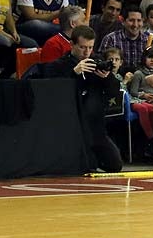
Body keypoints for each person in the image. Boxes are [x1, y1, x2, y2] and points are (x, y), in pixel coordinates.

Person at [42, 26, 123, 173]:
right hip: (70, 127)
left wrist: (106, 78)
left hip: (95, 128)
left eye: (90, 47)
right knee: (85, 166)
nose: (86, 52)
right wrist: (74, 73)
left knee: (115, 165)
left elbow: (114, 90)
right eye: (82, 47)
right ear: (72, 45)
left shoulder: (96, 62)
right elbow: (52, 91)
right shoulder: (59, 65)